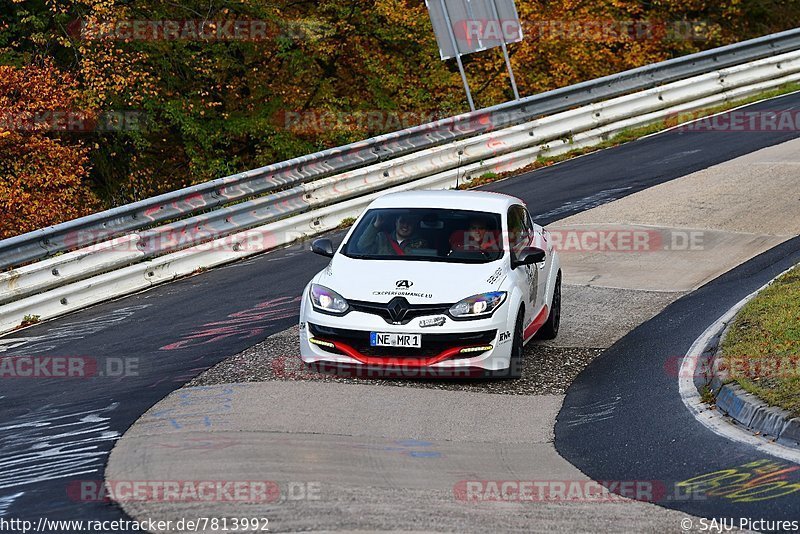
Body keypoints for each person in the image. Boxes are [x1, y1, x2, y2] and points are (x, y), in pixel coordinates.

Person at [357, 212, 429, 255]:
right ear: (396, 222)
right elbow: (362, 247)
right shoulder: (381, 238)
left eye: (410, 222)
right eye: (402, 221)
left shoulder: (421, 243)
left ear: (414, 225)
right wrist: (376, 225)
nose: (405, 225)